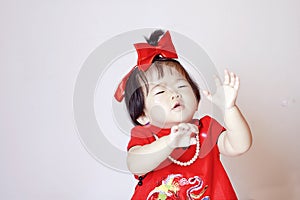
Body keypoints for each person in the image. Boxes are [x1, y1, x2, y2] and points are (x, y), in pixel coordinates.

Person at [114, 30, 252, 200]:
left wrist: (230, 109)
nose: (174, 94)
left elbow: (239, 145)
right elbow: (135, 165)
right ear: (143, 116)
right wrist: (169, 143)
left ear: (196, 99)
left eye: (181, 86)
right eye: (160, 91)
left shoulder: (206, 129)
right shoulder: (146, 136)